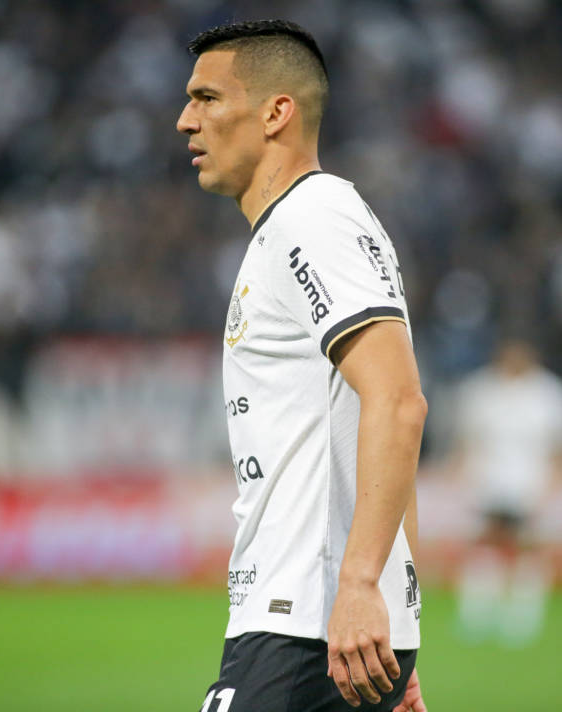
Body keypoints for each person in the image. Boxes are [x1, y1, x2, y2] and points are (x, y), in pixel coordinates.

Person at [176, 20, 428, 712]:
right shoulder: (300, 227)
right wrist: (394, 623)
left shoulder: (311, 220)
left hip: (302, 627)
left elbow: (400, 402)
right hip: (322, 627)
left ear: (275, 112)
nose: (184, 121)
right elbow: (377, 420)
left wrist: (362, 587)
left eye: (206, 98)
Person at [450, 338, 562, 646]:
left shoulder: (550, 393)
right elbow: (466, 440)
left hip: (531, 483)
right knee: (485, 545)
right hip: (488, 481)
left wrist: (553, 486)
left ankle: (523, 618)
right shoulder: (480, 390)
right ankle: (476, 615)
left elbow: (560, 447)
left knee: (529, 549)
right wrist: (464, 481)